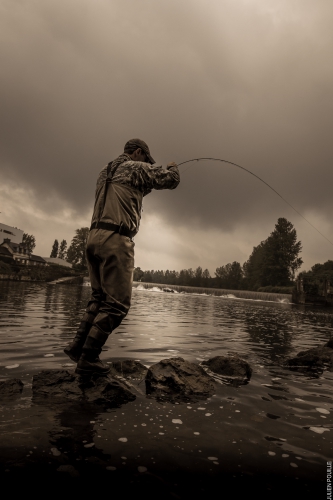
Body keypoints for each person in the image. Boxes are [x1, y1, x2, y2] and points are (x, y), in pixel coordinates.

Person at [64, 139, 180, 375]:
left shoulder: (104, 172)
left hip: (93, 238)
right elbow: (171, 181)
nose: (148, 164)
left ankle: (77, 346)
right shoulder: (136, 168)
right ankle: (89, 357)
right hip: (116, 240)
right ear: (138, 153)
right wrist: (172, 166)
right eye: (147, 160)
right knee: (117, 305)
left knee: (98, 298)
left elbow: (137, 188)